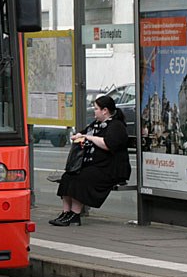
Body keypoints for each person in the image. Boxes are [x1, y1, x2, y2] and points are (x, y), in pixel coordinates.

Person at [51, 94, 131, 226]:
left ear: (105, 110)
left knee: (82, 177)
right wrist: (78, 136)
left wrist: (89, 138)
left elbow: (108, 144)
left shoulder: (117, 126)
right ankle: (66, 213)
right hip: (96, 165)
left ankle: (75, 214)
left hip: (111, 168)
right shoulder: (96, 124)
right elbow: (84, 133)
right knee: (68, 176)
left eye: (96, 109)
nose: (94, 111)